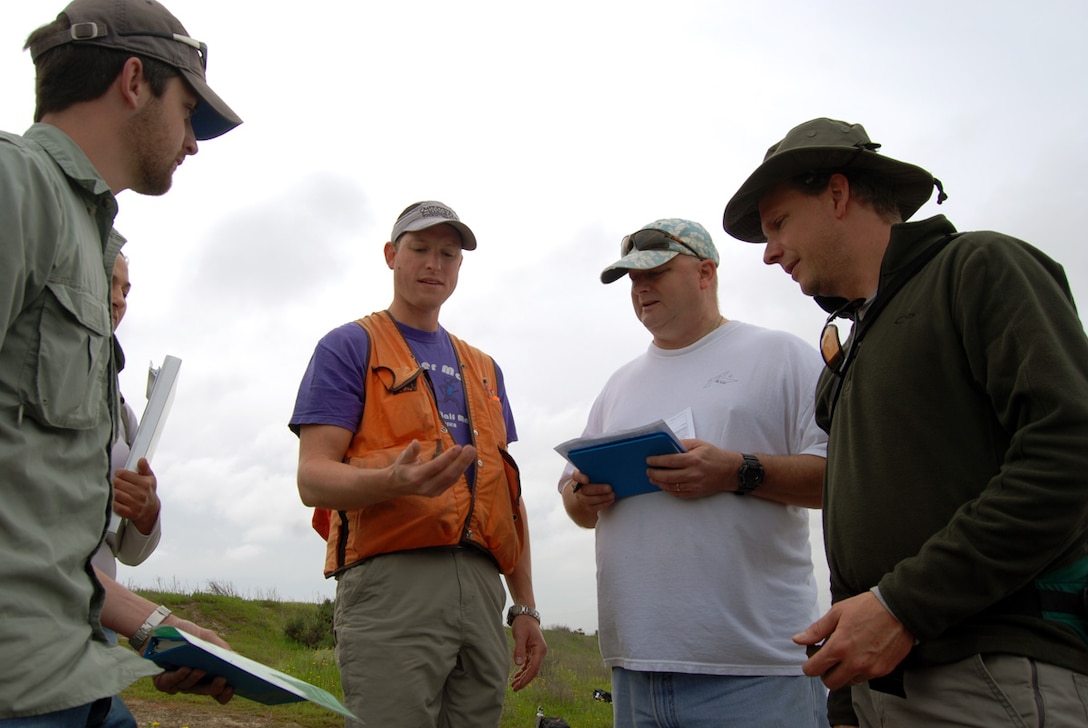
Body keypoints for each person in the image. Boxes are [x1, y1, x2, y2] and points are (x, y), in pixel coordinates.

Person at [722, 117, 1088, 727]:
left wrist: (904, 607)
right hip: (880, 685)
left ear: (838, 194)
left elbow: (1071, 450)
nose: (769, 253)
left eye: (779, 223)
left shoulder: (978, 267)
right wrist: (846, 697)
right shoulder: (843, 361)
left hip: (993, 672)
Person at [0, 0, 241, 723]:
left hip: (76, 677)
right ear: (135, 80)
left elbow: (39, 539)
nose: (192, 143)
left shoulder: (89, 239)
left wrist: (154, 626)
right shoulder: (18, 187)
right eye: (188, 110)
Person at [560, 217, 830, 728]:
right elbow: (576, 508)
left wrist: (737, 471)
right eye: (632, 279)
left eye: (656, 272)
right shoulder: (618, 386)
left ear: (705, 273)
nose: (641, 287)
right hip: (634, 670)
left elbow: (842, 476)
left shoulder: (781, 356)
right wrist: (582, 496)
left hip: (755, 671)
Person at [290, 201, 547, 727]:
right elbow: (312, 476)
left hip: (481, 588)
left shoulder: (485, 369)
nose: (435, 264)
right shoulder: (348, 346)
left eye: (448, 254)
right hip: (391, 583)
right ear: (391, 255)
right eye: (420, 249)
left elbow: (507, 497)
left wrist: (524, 606)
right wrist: (391, 481)